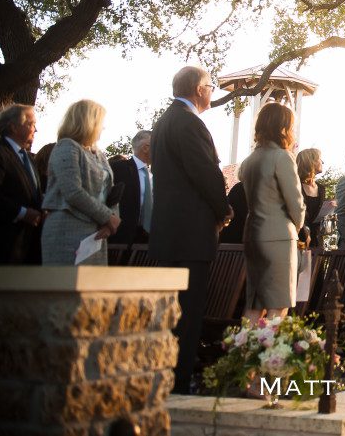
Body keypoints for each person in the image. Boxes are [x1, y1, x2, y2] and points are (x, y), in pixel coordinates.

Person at [149, 66, 231, 395]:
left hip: (169, 231)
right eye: (211, 86)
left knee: (171, 313)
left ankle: (165, 376)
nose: (212, 92)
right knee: (188, 313)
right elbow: (205, 173)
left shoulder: (164, 122)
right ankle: (180, 381)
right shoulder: (190, 122)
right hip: (191, 234)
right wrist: (223, 209)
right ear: (199, 89)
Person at [239, 102, 306, 320]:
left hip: (252, 235)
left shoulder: (249, 161)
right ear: (283, 128)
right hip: (278, 237)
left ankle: (246, 351)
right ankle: (273, 354)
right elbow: (295, 203)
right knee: (279, 305)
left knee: (255, 303)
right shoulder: (282, 157)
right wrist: (298, 228)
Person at [42, 100, 121, 265]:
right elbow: (73, 192)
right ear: (88, 122)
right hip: (67, 229)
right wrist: (107, 216)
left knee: (94, 288)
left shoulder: (99, 154)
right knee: (66, 286)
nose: (103, 128)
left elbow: (110, 192)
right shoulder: (66, 147)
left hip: (97, 233)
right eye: (101, 123)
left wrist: (112, 220)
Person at [0, 104, 45, 264]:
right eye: (31, 124)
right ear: (14, 127)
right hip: (1, 246)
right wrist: (23, 213)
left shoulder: (28, 158)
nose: (35, 130)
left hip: (26, 245)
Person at [109, 130, 153, 254]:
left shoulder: (153, 175)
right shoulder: (118, 168)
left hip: (147, 241)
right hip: (120, 240)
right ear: (146, 148)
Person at [296, 147, 323, 244]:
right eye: (320, 159)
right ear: (312, 162)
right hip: (299, 239)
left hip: (317, 240)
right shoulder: (296, 185)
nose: (322, 162)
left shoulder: (321, 188)